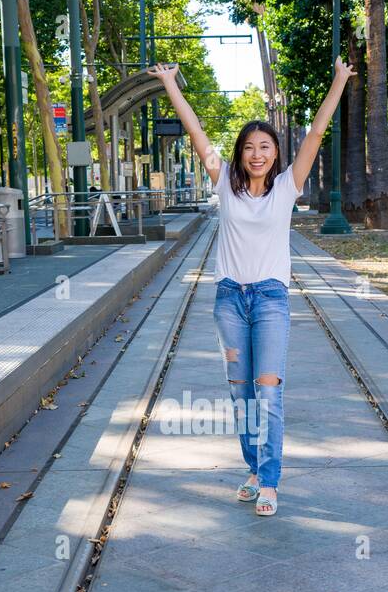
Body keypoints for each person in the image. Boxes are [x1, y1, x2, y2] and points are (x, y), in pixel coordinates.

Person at [148, 58, 355, 517]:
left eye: (265, 147)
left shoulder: (287, 188)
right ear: (240, 154)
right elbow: (197, 133)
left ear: (276, 154)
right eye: (249, 148)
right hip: (228, 302)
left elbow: (317, 135)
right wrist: (169, 84)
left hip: (270, 301)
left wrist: (338, 78)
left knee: (268, 393)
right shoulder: (225, 185)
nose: (257, 154)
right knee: (241, 396)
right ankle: (254, 470)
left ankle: (270, 481)